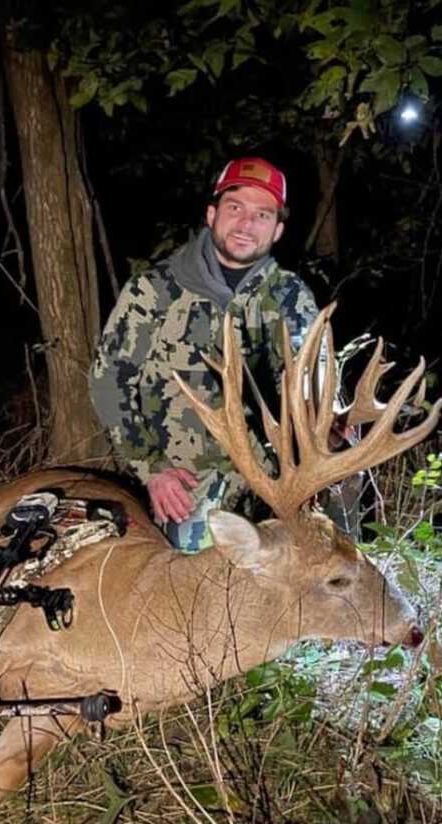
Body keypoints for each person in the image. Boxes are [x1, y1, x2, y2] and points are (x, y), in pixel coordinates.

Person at [89, 157, 320, 551]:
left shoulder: (291, 297)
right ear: (211, 214)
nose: (246, 224)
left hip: (272, 482)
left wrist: (328, 425)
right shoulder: (154, 291)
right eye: (235, 209)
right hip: (187, 484)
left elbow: (315, 377)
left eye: (262, 215)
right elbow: (108, 382)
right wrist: (152, 469)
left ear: (277, 230)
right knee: (195, 587)